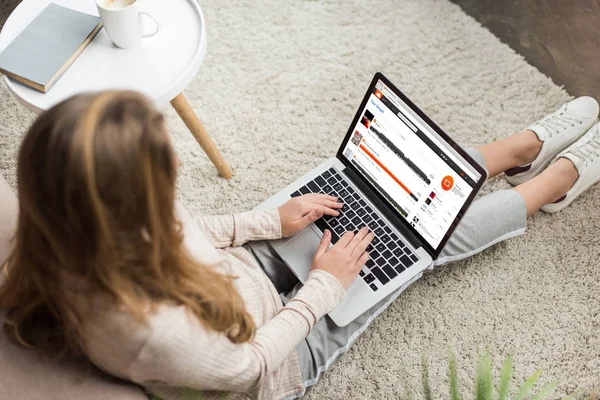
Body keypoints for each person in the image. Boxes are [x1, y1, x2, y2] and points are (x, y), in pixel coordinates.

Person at [0, 91, 598, 400]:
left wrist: (268, 221)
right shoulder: (147, 329)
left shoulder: (77, 215)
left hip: (238, 277)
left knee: (370, 185)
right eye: (166, 162)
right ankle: (555, 182)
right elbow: (246, 368)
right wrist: (324, 287)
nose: (177, 160)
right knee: (415, 241)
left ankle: (511, 151)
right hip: (281, 350)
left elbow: (192, 230)